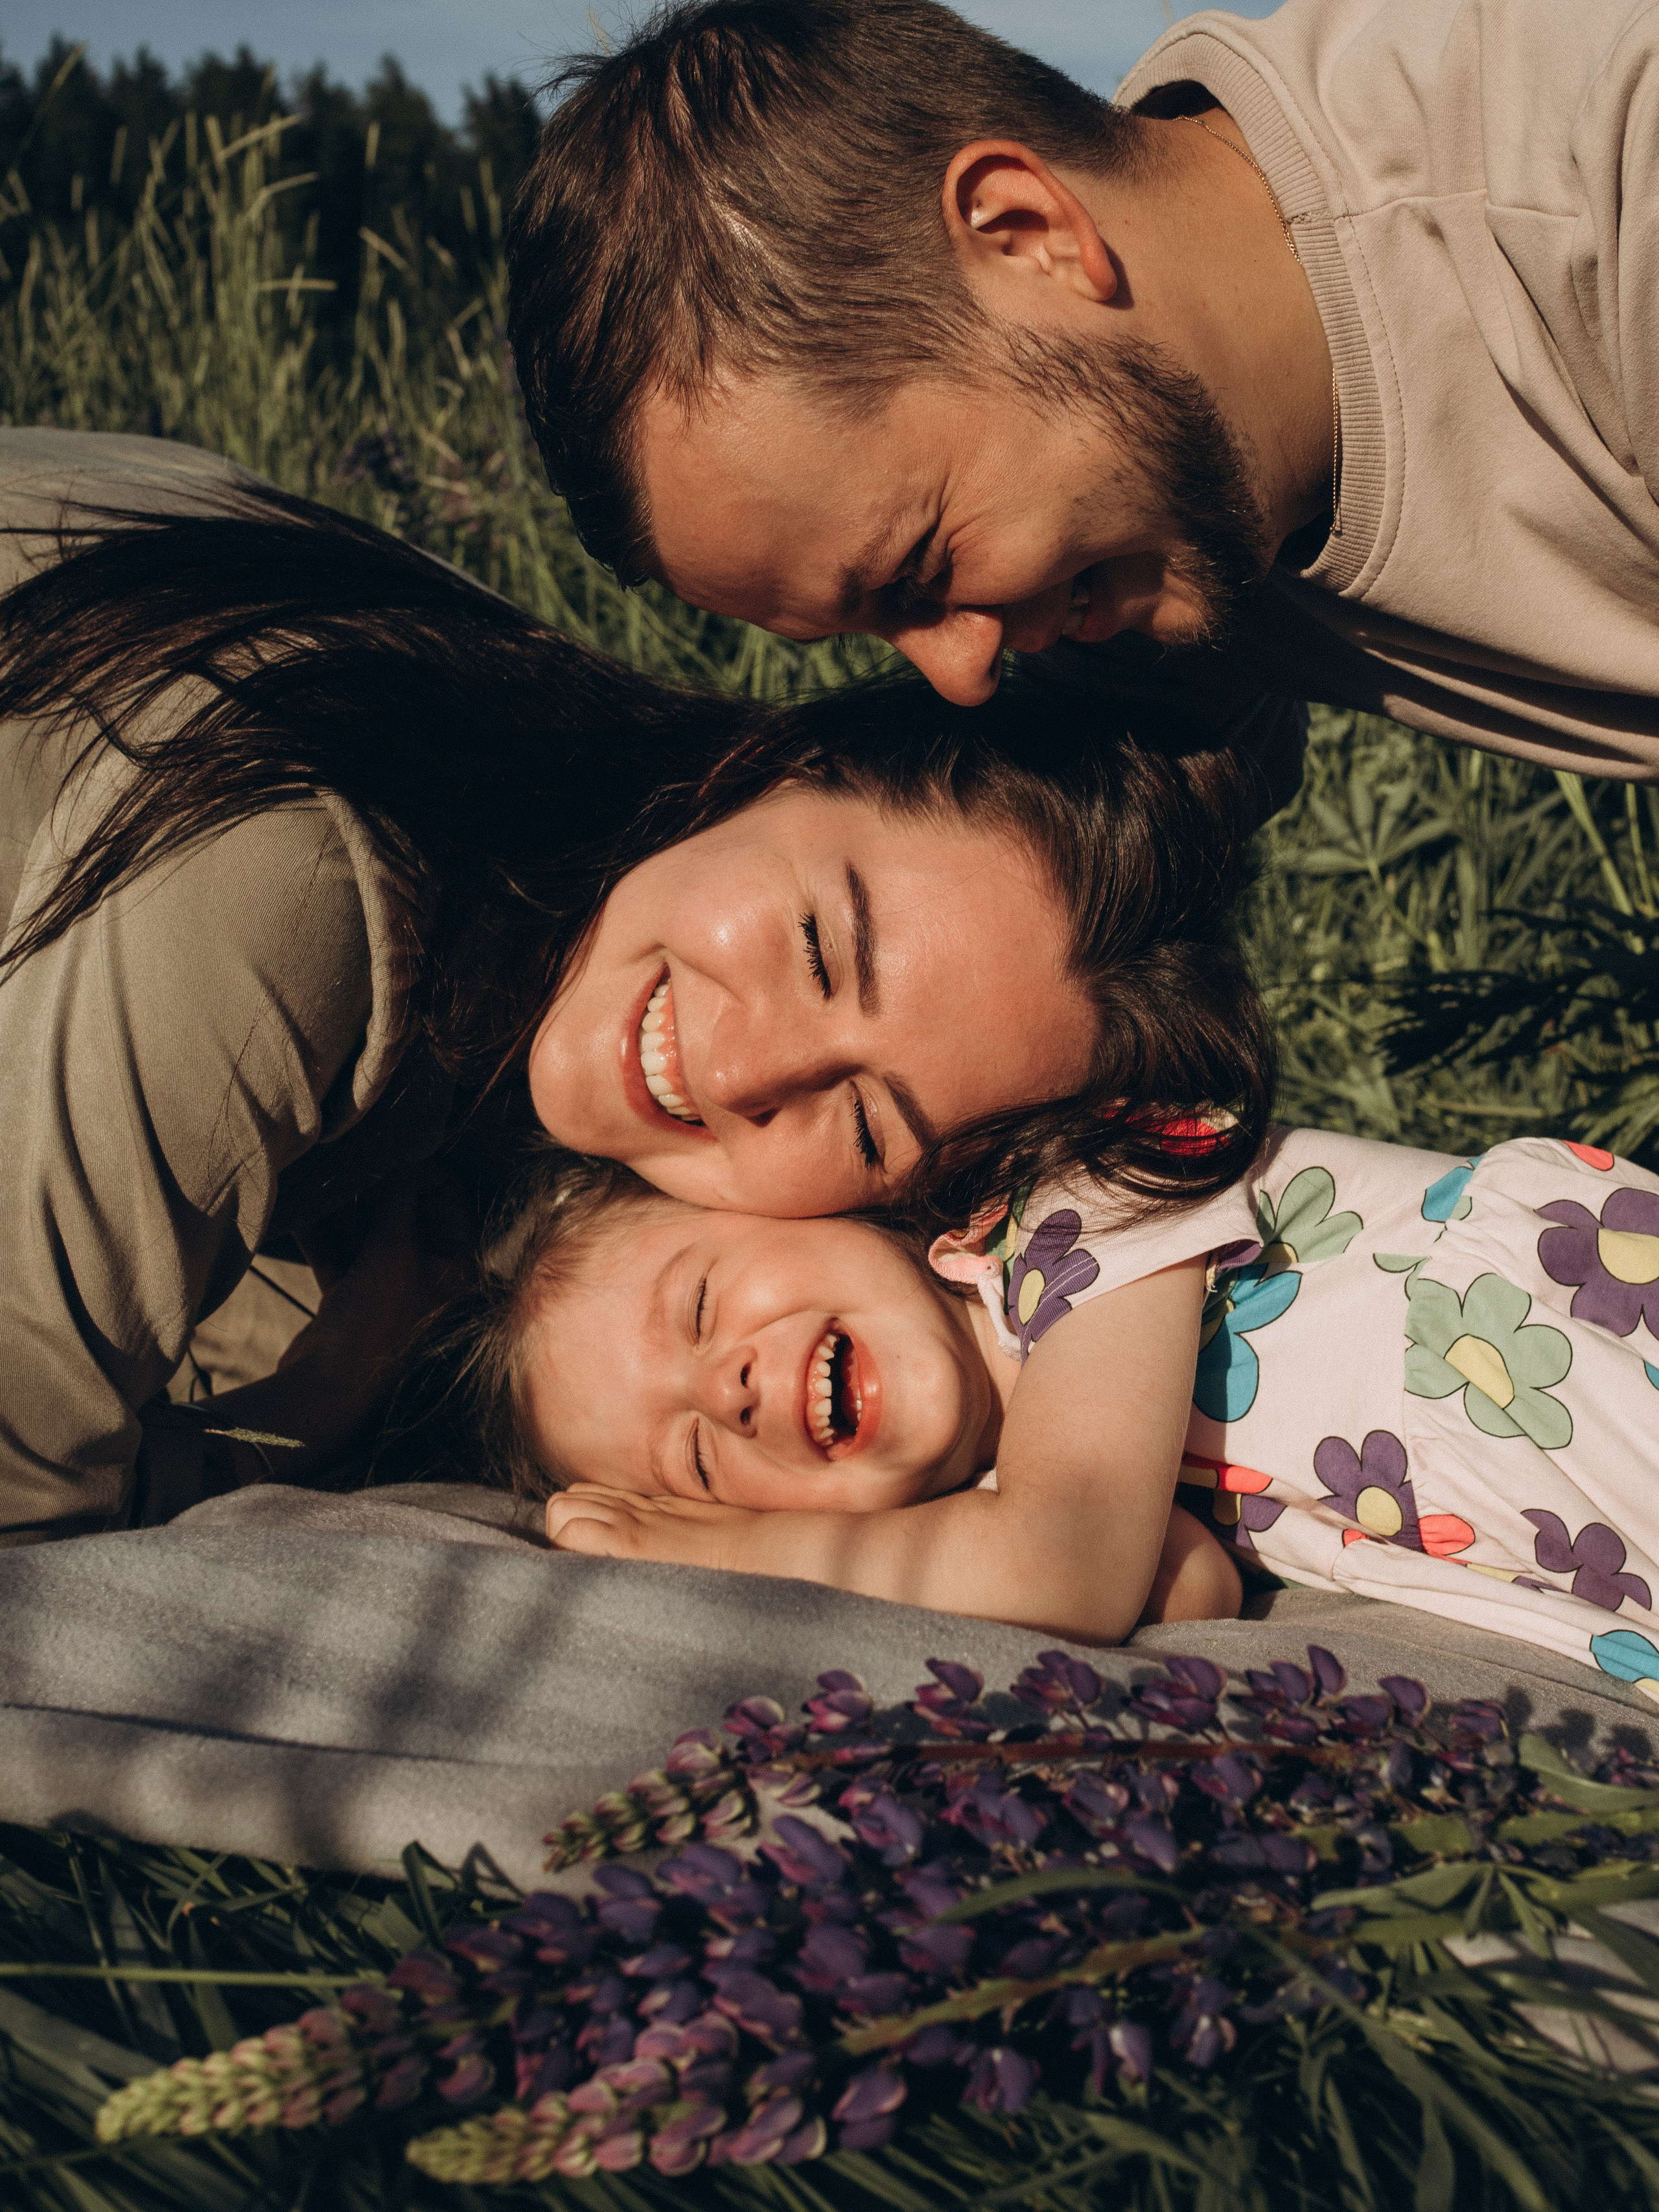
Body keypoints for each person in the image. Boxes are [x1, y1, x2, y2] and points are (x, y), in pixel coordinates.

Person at [0, 427, 1279, 1545]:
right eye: (819, 948)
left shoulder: (511, 876)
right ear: (769, 768)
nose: (738, 1074)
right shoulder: (308, 869)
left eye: (866, 1121)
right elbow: (25, 1509)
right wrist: (271, 1444)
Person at [509, 0, 1659, 780]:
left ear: (1029, 233)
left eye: (919, 574)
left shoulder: (1607, 159)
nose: (965, 672)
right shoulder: (1154, 499)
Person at [448, 1131, 1659, 1699]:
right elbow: (1188, 1588)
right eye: (700, 1461)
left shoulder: (1073, 1197)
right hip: (1558, 1551)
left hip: (1565, 1346)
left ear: (812, 1199)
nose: (732, 1386)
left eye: (704, 1302)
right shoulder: (1007, 1501)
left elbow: (1073, 1557)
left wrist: (704, 1542)